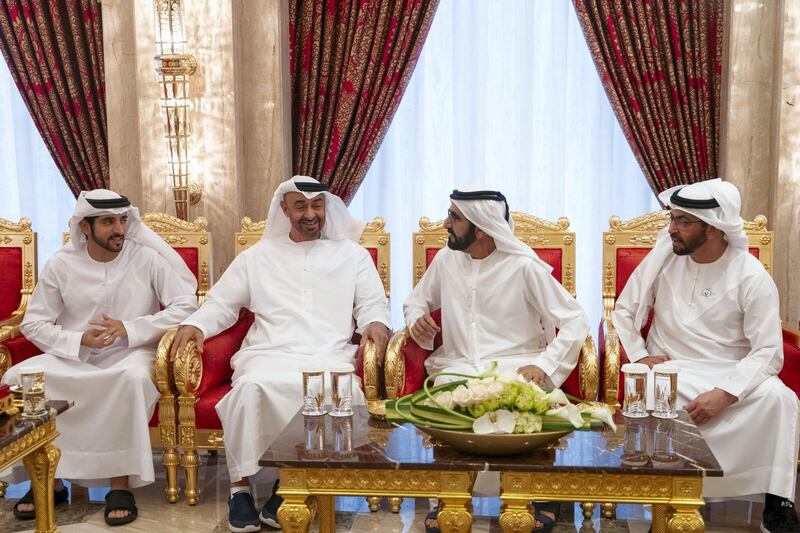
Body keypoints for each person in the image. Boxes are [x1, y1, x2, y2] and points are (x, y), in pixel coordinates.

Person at [170, 176, 391, 533]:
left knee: (338, 389)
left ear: (326, 206)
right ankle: (240, 488)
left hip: (328, 353)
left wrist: (377, 322)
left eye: (316, 205)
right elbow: (222, 304)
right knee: (250, 389)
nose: (310, 214)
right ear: (284, 209)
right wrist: (196, 325)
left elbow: (371, 303)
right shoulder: (256, 257)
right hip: (267, 353)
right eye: (300, 206)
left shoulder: (353, 255)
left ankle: (290, 484)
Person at [611, 178, 800, 533]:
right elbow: (623, 311)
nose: (671, 230)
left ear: (712, 228)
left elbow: (768, 351)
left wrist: (727, 394)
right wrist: (639, 355)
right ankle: (661, 495)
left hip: (732, 370)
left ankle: (778, 502)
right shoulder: (663, 259)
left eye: (682, 221)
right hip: (674, 369)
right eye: (672, 219)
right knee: (651, 388)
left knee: (780, 399)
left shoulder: (751, 275)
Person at [2, 189, 198, 526]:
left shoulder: (146, 258)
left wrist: (130, 329)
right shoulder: (61, 264)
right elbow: (34, 322)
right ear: (85, 228)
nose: (119, 228)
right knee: (22, 377)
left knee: (131, 380)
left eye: (122, 220)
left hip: (131, 353)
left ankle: (119, 484)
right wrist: (78, 339)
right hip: (74, 355)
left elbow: (186, 305)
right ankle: (49, 481)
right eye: (108, 222)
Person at [403, 187, 590, 533]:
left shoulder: (523, 266)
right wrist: (416, 320)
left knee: (528, 410)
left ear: (481, 227)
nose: (446, 223)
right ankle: (449, 498)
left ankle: (540, 496)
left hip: (516, 367)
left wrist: (545, 366)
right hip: (457, 367)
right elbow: (416, 301)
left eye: (454, 217)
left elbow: (576, 319)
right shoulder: (446, 260)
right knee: (446, 408)